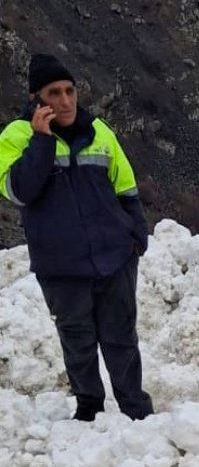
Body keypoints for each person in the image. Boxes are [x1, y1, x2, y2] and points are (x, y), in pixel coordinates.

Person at [0, 54, 154, 421]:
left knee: (121, 339)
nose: (66, 101)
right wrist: (41, 141)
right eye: (54, 93)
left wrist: (136, 233)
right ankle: (90, 408)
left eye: (70, 91)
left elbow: (126, 187)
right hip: (60, 265)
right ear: (37, 99)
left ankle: (135, 409)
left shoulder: (100, 132)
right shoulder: (15, 137)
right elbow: (19, 191)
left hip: (114, 255)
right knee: (78, 341)